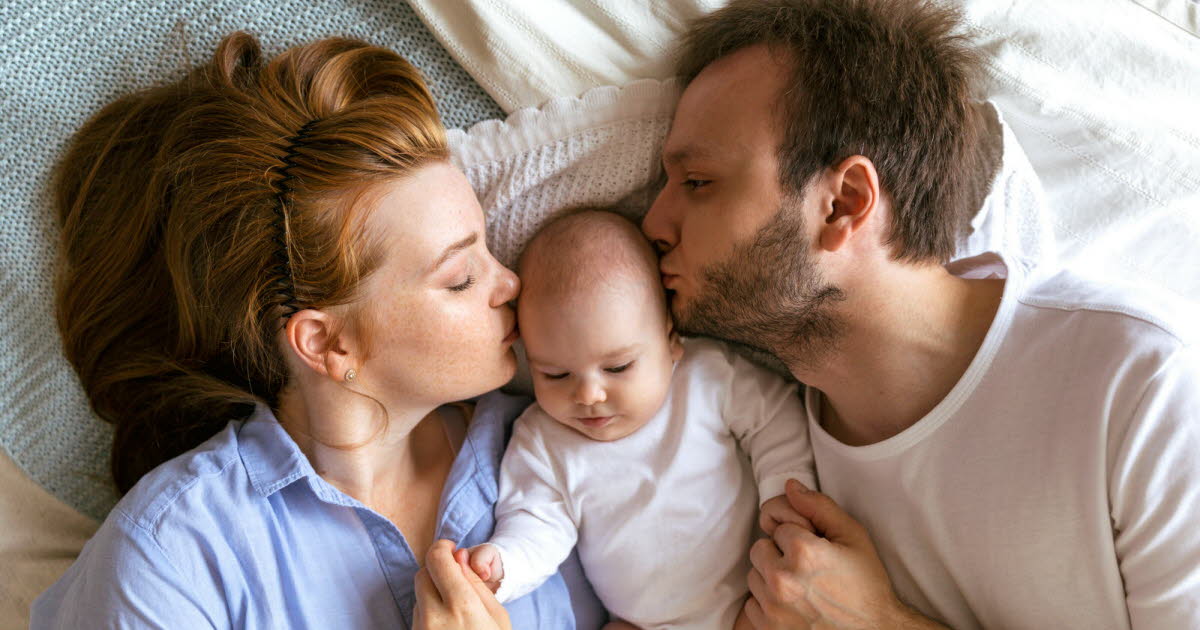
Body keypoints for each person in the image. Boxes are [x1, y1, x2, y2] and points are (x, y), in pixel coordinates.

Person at [642, 0, 1200, 628]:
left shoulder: (1143, 383)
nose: (654, 223)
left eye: (698, 182)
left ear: (843, 204)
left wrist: (878, 620)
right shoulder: (764, 450)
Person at [32, 32, 587, 629]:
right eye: (460, 279)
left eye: (488, 247)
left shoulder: (567, 444)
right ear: (326, 344)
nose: (510, 282)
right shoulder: (171, 558)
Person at [462, 210, 816, 630]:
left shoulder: (707, 378)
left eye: (617, 367)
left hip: (756, 599)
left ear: (670, 339)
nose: (589, 395)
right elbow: (537, 525)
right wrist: (505, 565)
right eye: (555, 374)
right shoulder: (542, 439)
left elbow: (774, 420)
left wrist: (783, 492)